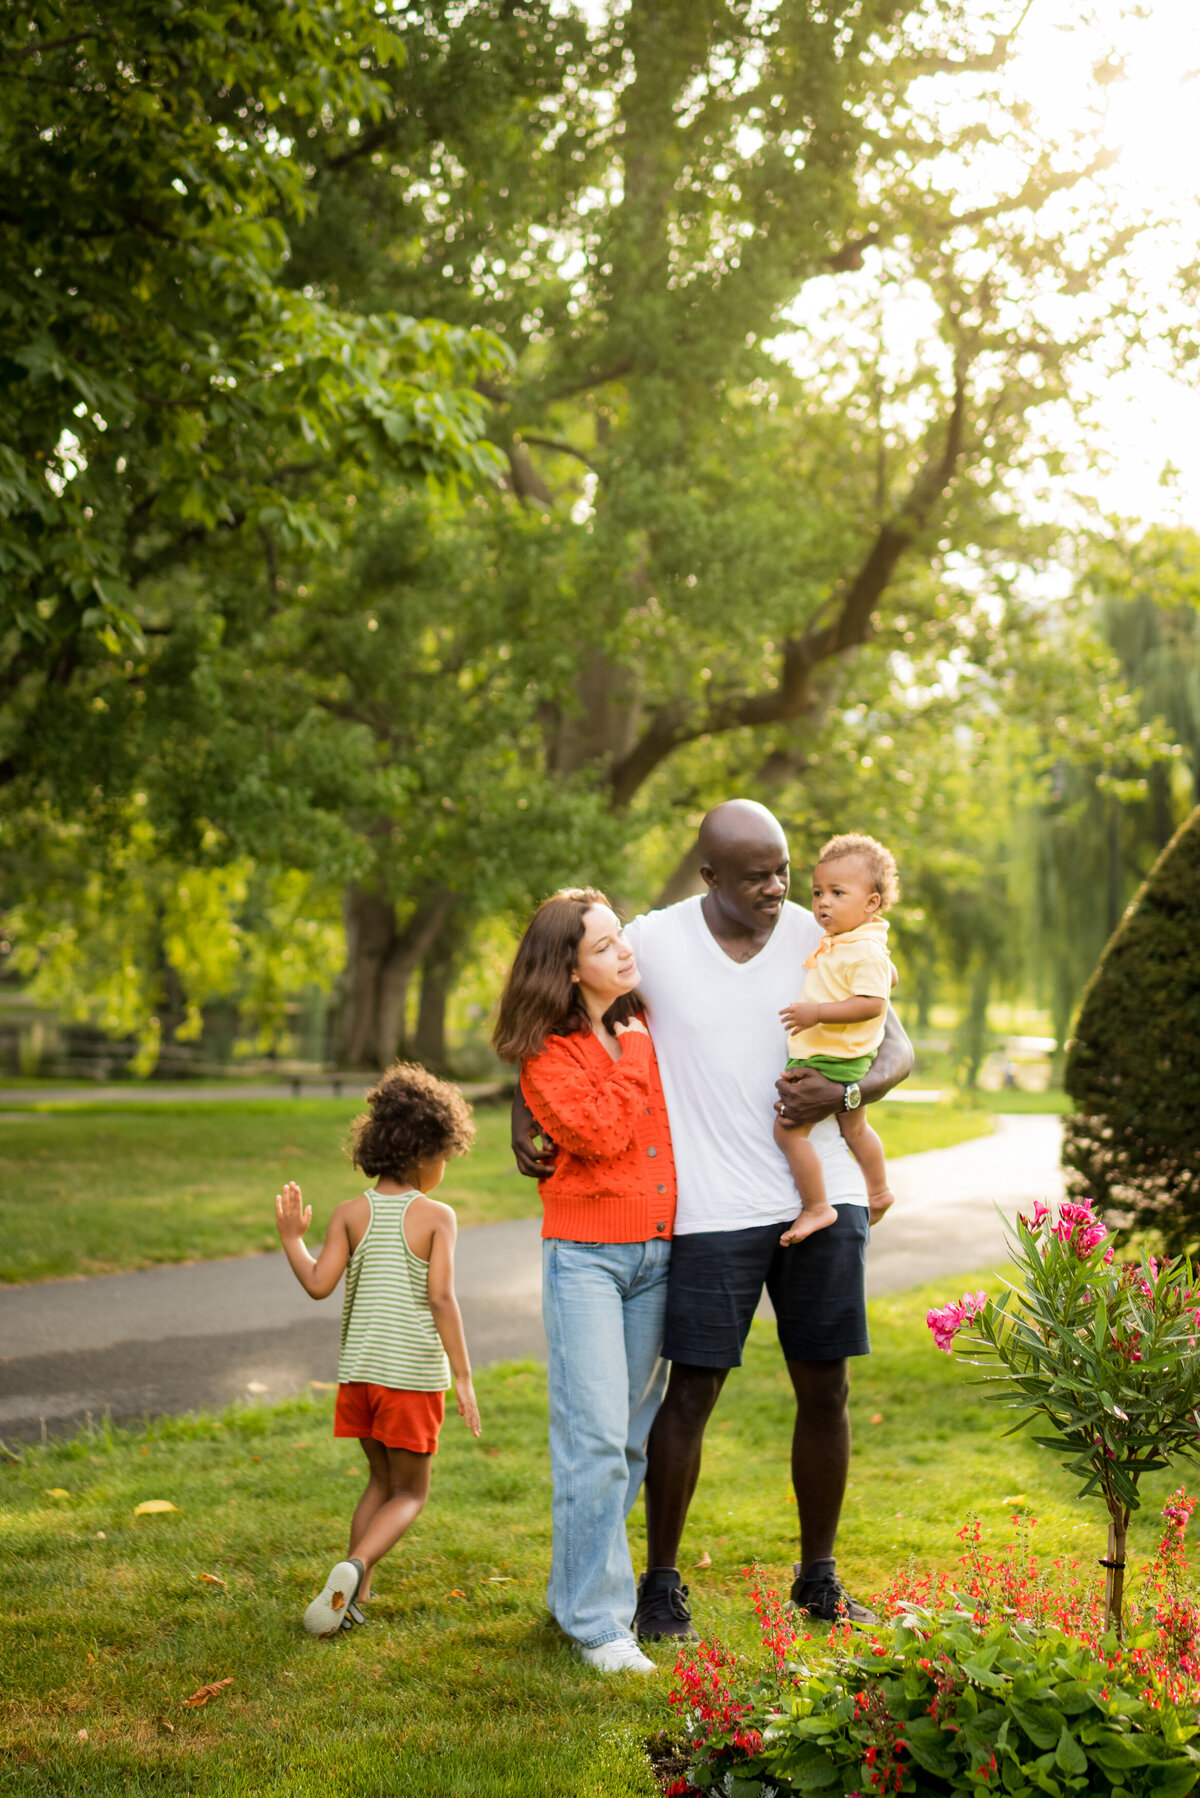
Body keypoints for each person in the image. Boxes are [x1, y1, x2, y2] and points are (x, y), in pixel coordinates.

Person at [512, 801, 913, 1639]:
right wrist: (529, 1108)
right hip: (708, 1208)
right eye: (756, 875)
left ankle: (820, 1581)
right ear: (710, 878)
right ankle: (660, 1586)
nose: (777, 888)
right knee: (688, 1396)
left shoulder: (823, 929)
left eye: (783, 869)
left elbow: (896, 1048)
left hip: (824, 1195)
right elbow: (559, 991)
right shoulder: (654, 940)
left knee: (826, 1387)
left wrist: (847, 1093)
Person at [493, 888, 676, 1675]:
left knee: (630, 1443)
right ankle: (596, 1622)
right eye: (603, 947)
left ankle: (576, 1594)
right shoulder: (552, 1054)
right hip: (587, 1260)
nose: (623, 952)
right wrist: (632, 1053)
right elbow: (599, 1134)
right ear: (568, 971)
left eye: (620, 936)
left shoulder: (651, 1018)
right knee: (594, 1439)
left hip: (660, 1255)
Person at [274, 1061, 481, 1639]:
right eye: (443, 1154)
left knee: (378, 1482)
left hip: (360, 1374)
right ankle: (358, 1567)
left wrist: (292, 1238)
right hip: (411, 1378)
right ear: (424, 1154)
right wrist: (463, 1378)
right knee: (410, 1491)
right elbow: (441, 1299)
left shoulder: (348, 1213)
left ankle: (352, 1596)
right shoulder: (437, 1216)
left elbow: (318, 1283)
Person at [776, 833, 899, 1245]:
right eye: (817, 893)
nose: (822, 902)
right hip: (843, 1055)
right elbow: (886, 977)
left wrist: (816, 1013)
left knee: (788, 1133)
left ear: (871, 903)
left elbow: (871, 1005)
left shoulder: (861, 950)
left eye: (837, 893)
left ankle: (817, 1207)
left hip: (831, 1057)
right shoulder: (854, 943)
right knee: (855, 1128)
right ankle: (879, 1191)